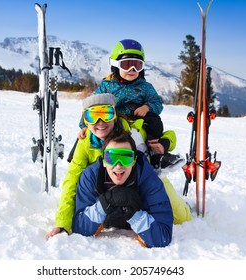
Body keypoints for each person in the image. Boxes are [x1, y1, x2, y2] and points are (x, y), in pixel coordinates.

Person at [46, 94, 190, 240]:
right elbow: (71, 179)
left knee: (179, 216)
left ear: (114, 116)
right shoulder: (85, 142)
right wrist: (63, 223)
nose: (100, 122)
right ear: (85, 122)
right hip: (104, 183)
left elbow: (166, 136)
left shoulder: (131, 131)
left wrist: (164, 143)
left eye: (106, 115)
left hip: (145, 176)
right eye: (92, 117)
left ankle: (184, 207)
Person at [72, 130, 173, 248]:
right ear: (104, 161)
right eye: (111, 157)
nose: (119, 165)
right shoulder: (91, 177)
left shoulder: (148, 179)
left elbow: (163, 237)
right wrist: (103, 205)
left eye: (126, 157)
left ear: (134, 161)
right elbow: (79, 229)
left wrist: (135, 215)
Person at [94, 38, 181, 169]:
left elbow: (157, 103)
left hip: (139, 121)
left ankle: (155, 153)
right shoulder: (108, 86)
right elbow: (94, 105)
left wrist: (147, 107)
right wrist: (84, 126)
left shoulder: (145, 87)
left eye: (137, 65)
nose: (132, 69)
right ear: (115, 65)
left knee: (155, 120)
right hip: (115, 119)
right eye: (126, 65)